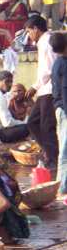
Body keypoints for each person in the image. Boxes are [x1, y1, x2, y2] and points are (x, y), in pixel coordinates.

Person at [24, 15, 59, 168]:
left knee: (46, 126)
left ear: (36, 29)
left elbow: (48, 69)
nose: (29, 35)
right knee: (33, 122)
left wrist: (34, 86)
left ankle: (53, 160)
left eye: (29, 31)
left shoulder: (45, 42)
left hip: (49, 90)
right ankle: (49, 153)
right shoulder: (46, 40)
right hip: (45, 90)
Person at [50, 33, 67, 196]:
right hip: (64, 109)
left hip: (61, 108)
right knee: (65, 149)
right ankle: (62, 188)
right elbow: (64, 90)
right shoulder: (62, 64)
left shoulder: (59, 63)